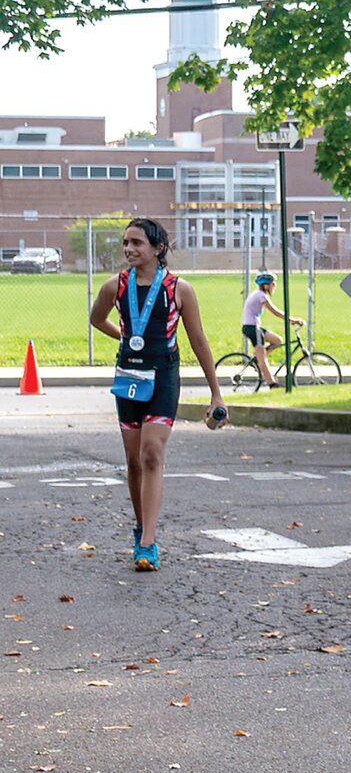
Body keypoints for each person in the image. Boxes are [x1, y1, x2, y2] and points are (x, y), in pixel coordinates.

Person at [88, 218, 226, 571]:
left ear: (158, 248)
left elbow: (197, 341)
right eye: (125, 243)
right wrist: (126, 338)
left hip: (163, 375)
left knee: (152, 453)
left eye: (137, 243)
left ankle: (148, 543)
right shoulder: (114, 286)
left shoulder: (180, 289)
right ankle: (139, 528)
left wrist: (216, 394)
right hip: (128, 375)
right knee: (134, 460)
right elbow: (96, 319)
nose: (129, 249)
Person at [240, 271, 302, 388]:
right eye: (273, 284)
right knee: (262, 358)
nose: (275, 287)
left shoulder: (259, 294)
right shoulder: (261, 296)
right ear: (265, 285)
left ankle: (256, 359)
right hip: (252, 328)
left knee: (278, 341)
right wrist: (292, 320)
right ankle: (272, 384)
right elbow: (275, 312)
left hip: (253, 327)